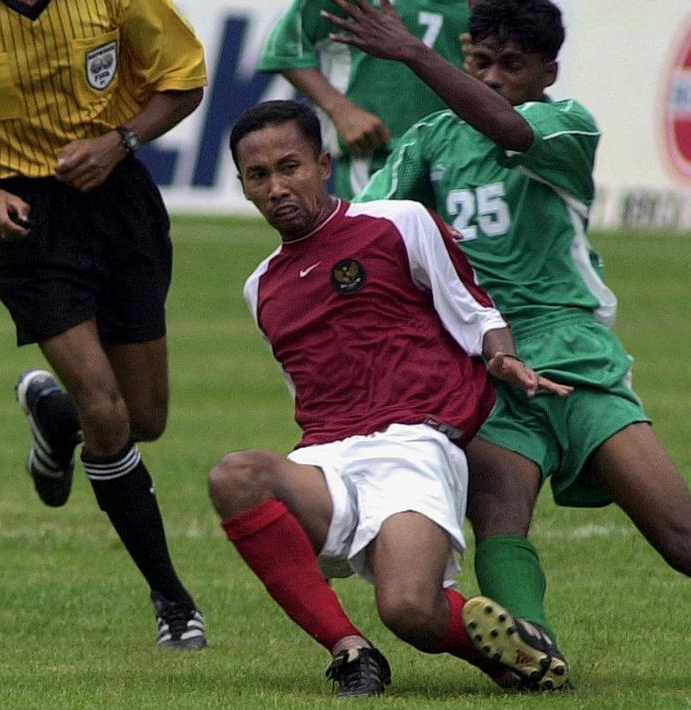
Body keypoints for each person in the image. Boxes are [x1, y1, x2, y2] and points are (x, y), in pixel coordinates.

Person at [328, 0, 691, 690]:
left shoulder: (563, 125)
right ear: (464, 54)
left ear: (547, 70)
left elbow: (508, 126)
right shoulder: (429, 139)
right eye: (479, 62)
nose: (492, 78)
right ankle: (533, 651)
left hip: (575, 361)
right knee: (500, 518)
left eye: (511, 66)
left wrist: (412, 55)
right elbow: (367, 231)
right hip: (488, 366)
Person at [206, 99, 572, 696]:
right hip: (327, 457)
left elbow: (475, 311)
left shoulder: (399, 222)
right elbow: (307, 389)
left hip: (413, 445)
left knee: (409, 610)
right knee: (235, 476)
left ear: (323, 165)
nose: (276, 187)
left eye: (289, 166)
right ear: (244, 186)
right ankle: (351, 652)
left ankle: (514, 657)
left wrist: (501, 356)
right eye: (258, 176)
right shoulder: (261, 288)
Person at [0, 0, 208, 649]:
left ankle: (55, 415)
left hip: (117, 203)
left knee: (143, 416)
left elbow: (185, 82)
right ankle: (174, 602)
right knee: (109, 410)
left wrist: (118, 142)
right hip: (25, 220)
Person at [257, 0, 469, 200]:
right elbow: (284, 48)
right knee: (375, 236)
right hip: (378, 159)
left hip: (461, 157)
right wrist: (341, 109)